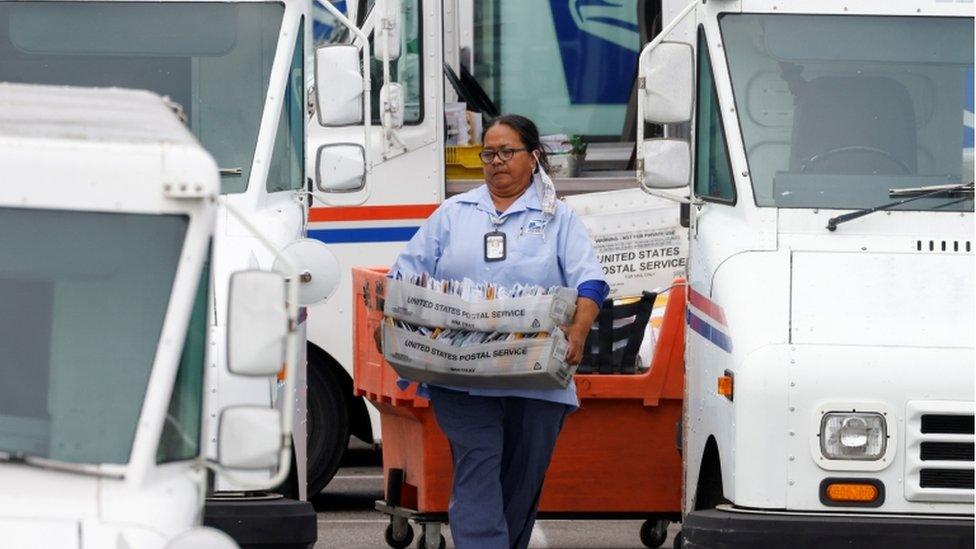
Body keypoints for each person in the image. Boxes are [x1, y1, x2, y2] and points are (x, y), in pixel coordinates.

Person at [387, 114, 608, 549]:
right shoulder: (454, 213)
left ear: (534, 158)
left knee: (522, 480)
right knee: (477, 462)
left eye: (508, 152)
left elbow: (591, 283)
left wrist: (579, 332)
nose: (496, 162)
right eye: (488, 153)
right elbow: (404, 275)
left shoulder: (557, 218)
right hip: (462, 377)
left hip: (537, 377)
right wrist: (392, 327)